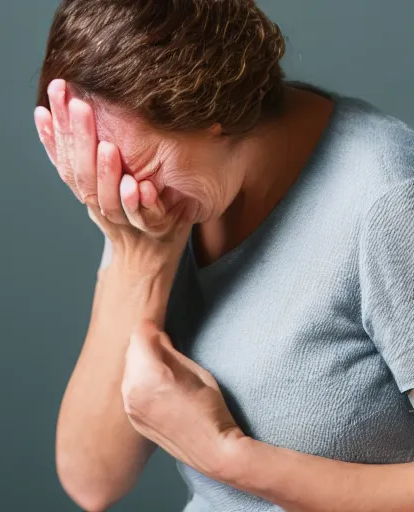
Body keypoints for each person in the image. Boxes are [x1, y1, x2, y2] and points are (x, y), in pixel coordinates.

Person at [34, 1, 414, 511]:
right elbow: (93, 482)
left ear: (209, 104)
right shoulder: (157, 194)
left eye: (138, 168)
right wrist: (140, 259)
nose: (123, 197)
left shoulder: (387, 202)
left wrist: (228, 457)